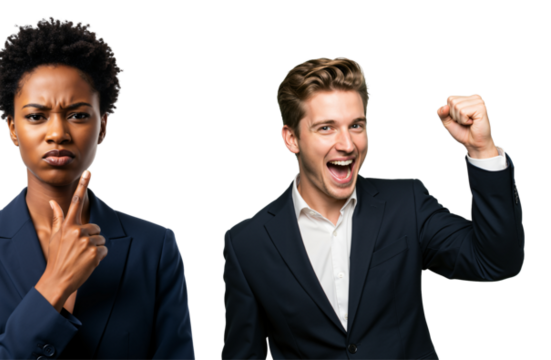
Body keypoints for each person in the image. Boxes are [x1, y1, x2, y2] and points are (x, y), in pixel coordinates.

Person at [220, 56, 526, 359]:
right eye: (326, 128)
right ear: (291, 138)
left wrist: (481, 149)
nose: (347, 144)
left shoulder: (408, 202)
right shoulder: (247, 243)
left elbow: (497, 262)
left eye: (356, 125)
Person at [0, 16, 195, 359]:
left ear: (104, 128)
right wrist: (54, 284)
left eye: (78, 115)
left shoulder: (156, 248)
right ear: (12, 128)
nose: (57, 133)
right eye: (36, 116)